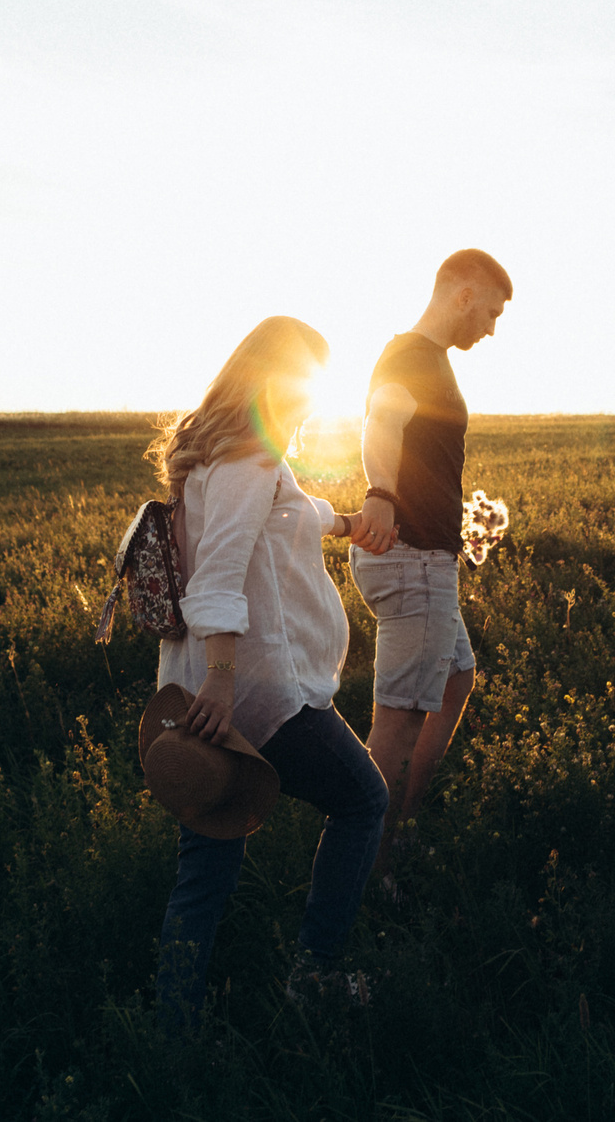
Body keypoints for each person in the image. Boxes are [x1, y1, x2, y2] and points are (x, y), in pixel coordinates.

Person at [150, 316, 388, 1028]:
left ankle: (170, 1033)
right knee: (363, 802)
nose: (309, 403)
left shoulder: (214, 456)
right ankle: (313, 976)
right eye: (302, 385)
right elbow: (220, 573)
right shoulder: (250, 459)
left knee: (209, 864)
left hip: (204, 690)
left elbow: (283, 514)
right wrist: (223, 684)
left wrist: (343, 521)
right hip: (257, 691)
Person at [349, 248, 511, 878]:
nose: (492, 328)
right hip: (413, 562)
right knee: (396, 725)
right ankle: (370, 865)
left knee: (454, 680)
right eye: (491, 312)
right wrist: (382, 494)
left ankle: (399, 826)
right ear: (463, 295)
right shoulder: (410, 356)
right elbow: (380, 422)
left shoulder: (430, 362)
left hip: (428, 560)